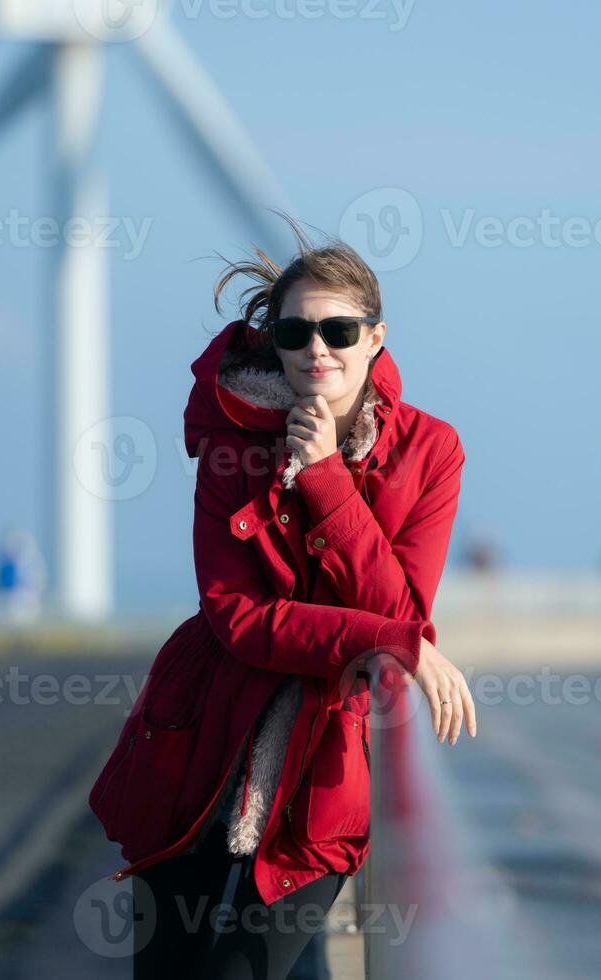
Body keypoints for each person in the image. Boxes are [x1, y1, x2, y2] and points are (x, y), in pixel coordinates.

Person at [88, 215, 476, 980]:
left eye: (338, 329)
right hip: (198, 737)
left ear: (376, 336)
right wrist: (380, 640)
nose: (317, 350)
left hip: (323, 759)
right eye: (296, 334)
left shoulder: (431, 451)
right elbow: (236, 618)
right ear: (274, 341)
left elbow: (400, 611)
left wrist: (327, 475)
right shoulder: (230, 439)